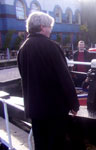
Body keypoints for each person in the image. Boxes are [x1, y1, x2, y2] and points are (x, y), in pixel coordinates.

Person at [17, 12, 80, 150]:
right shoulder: (52, 46)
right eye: (50, 26)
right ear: (42, 27)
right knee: (56, 144)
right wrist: (74, 104)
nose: (51, 30)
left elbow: (24, 77)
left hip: (35, 108)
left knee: (40, 144)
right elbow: (64, 77)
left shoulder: (23, 49)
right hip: (54, 108)